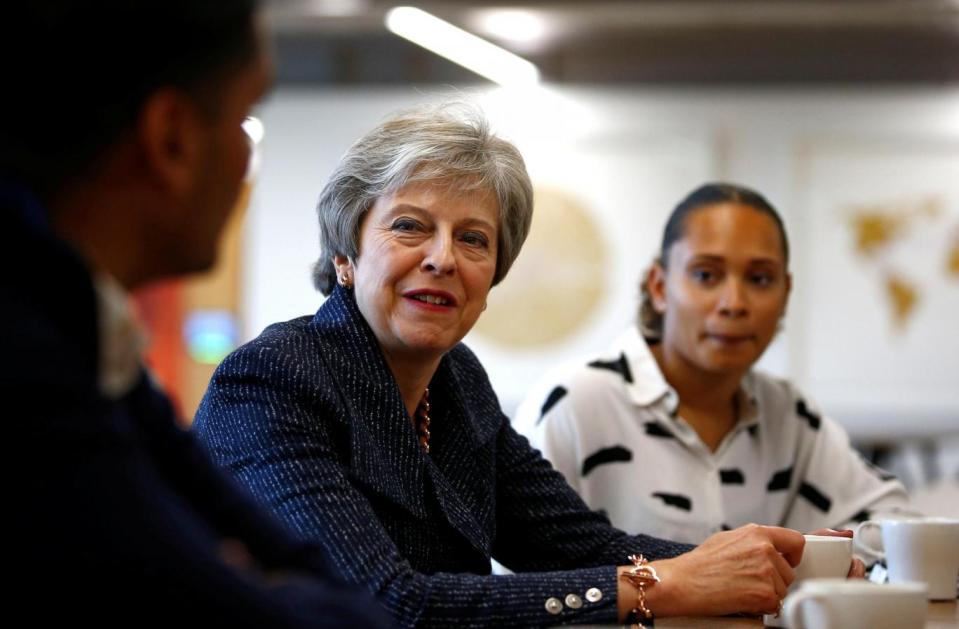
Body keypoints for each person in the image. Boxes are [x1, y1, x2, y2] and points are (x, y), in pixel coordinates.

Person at [194, 104, 818, 628]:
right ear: (345, 256)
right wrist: (662, 586)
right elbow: (389, 606)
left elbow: (579, 546)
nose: (443, 258)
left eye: (473, 238)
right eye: (410, 226)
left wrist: (777, 565)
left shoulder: (458, 382)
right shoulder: (271, 381)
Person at [2, 1, 390, 626]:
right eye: (245, 116)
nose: (245, 161)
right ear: (172, 140)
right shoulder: (27, 364)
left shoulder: (83, 327)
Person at [515, 182, 909, 563]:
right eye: (706, 275)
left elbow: (902, 528)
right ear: (659, 285)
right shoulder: (574, 403)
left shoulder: (788, 414)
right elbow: (522, 575)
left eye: (760, 279)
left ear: (785, 294)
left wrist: (805, 557)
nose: (734, 303)